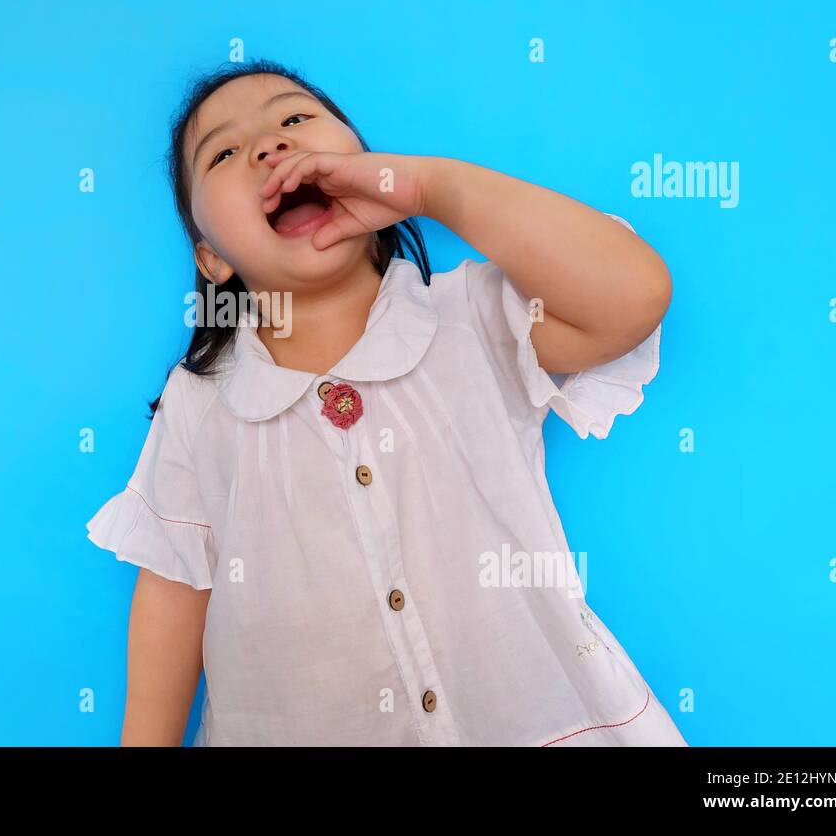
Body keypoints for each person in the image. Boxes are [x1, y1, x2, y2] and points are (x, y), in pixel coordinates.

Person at [86, 59, 687, 747]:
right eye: (223, 152)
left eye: (293, 119)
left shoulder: (474, 320)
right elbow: (172, 592)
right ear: (212, 259)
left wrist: (431, 188)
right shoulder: (201, 406)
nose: (268, 147)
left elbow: (631, 297)